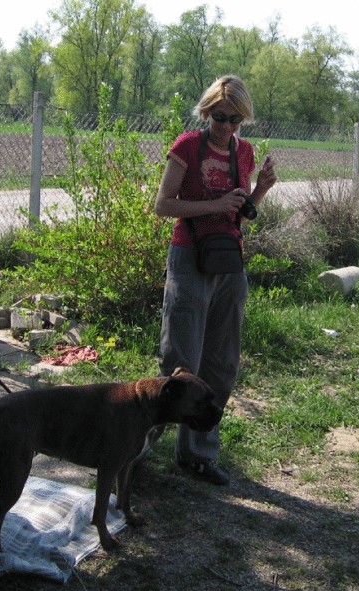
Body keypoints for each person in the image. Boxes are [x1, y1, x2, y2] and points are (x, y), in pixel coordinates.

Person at [153, 75, 277, 485]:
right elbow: (162, 205)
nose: (227, 126)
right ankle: (138, 446)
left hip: (229, 261)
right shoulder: (187, 146)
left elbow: (239, 212)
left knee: (221, 362)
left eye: (236, 119)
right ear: (206, 112)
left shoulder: (244, 152)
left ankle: (198, 455)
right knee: (180, 361)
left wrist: (260, 190)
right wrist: (213, 203)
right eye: (220, 117)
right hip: (190, 257)